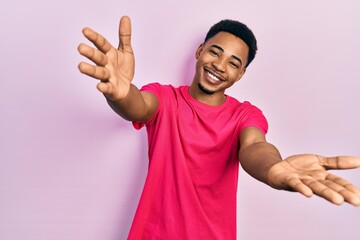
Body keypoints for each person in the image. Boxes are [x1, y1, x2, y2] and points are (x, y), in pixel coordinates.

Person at [78, 16, 360, 239]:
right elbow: (137, 105)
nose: (220, 65)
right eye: (215, 52)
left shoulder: (244, 114)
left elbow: (254, 146)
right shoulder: (165, 99)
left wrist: (274, 168)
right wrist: (119, 93)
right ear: (200, 51)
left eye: (233, 63)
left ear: (240, 74)